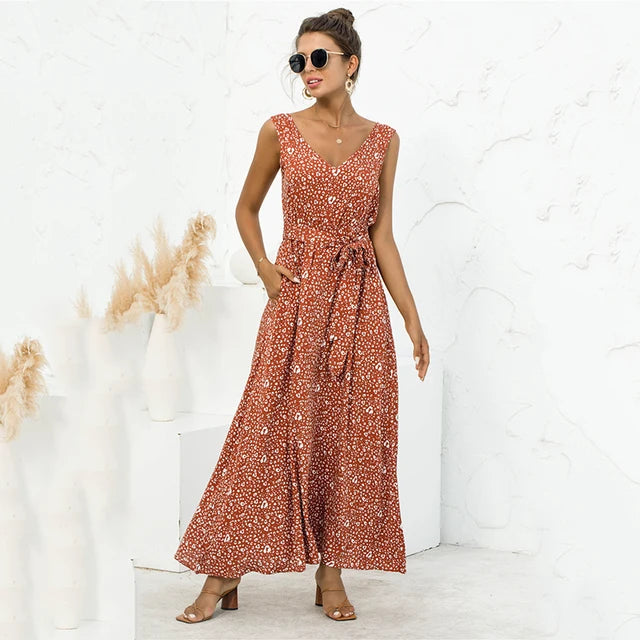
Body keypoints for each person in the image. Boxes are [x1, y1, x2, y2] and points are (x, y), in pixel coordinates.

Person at [174, 7, 430, 625]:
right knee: (265, 430)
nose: (307, 70)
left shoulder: (385, 140)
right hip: (298, 299)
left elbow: (382, 235)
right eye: (299, 60)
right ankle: (222, 572)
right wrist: (265, 267)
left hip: (360, 306)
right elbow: (246, 208)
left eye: (319, 58)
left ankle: (331, 574)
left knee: (349, 436)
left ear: (351, 64)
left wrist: (411, 318)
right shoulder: (280, 130)